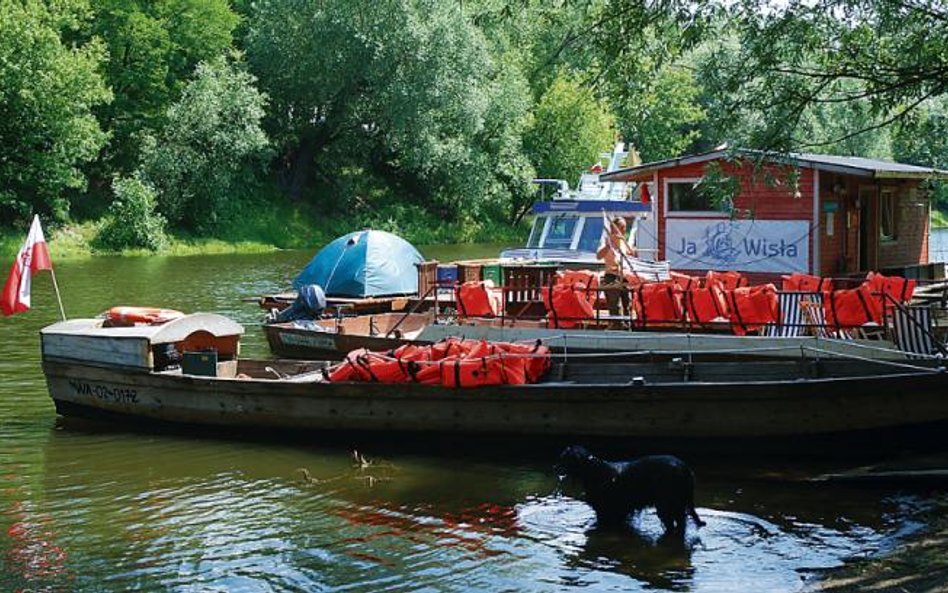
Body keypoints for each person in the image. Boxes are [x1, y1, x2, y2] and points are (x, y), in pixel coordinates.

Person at [596, 217, 635, 319]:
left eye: (624, 228)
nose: (623, 230)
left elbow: (630, 256)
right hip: (611, 276)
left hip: (624, 276)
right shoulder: (607, 240)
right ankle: (615, 325)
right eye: (620, 227)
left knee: (628, 304)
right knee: (614, 306)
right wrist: (608, 246)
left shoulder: (623, 242)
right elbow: (599, 256)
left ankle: (628, 325)